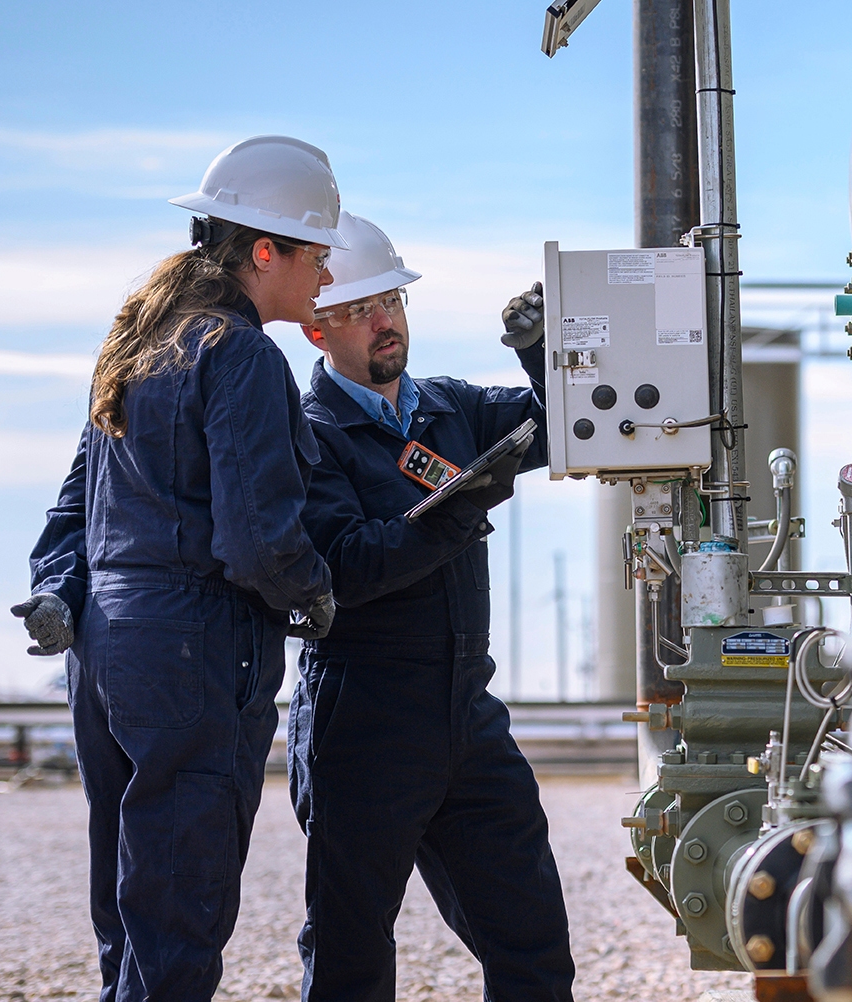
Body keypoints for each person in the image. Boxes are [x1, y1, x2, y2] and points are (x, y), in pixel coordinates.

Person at [12, 135, 345, 1002]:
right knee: (182, 903)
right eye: (317, 253)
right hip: (196, 649)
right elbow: (254, 535)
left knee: (129, 906)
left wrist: (58, 587)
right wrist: (311, 592)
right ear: (264, 251)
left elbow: (72, 506)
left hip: (107, 650)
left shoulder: (139, 345)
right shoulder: (239, 354)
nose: (326, 276)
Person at [287, 212, 575, 1002]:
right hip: (363, 718)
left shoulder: (450, 407)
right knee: (350, 954)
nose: (383, 322)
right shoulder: (309, 435)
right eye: (356, 310)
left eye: (391, 303)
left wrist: (538, 352)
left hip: (465, 713)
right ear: (317, 332)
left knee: (532, 942)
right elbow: (341, 565)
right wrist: (455, 508)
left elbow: (565, 428)